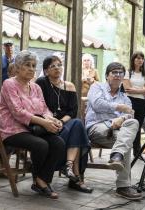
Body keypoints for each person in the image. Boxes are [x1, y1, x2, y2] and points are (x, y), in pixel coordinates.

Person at [0, 50, 65, 199]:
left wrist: (52, 120)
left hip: (34, 129)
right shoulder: (9, 84)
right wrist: (44, 122)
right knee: (41, 145)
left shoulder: (35, 87)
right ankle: (40, 181)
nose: (31, 68)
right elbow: (18, 112)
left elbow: (44, 109)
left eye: (33, 65)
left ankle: (41, 180)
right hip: (13, 130)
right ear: (17, 67)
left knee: (59, 143)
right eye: (27, 65)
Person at [36, 55, 92, 193]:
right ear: (46, 71)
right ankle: (75, 175)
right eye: (52, 66)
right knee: (77, 130)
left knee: (77, 123)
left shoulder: (70, 86)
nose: (57, 68)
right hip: (47, 123)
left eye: (59, 65)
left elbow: (73, 112)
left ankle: (69, 166)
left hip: (65, 122)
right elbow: (39, 106)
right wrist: (53, 121)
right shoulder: (41, 83)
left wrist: (61, 121)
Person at [86, 62, 142, 200]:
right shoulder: (97, 87)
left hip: (117, 131)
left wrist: (121, 120)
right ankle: (123, 186)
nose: (118, 75)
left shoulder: (125, 98)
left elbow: (131, 115)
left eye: (120, 73)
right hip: (96, 126)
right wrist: (119, 107)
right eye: (114, 72)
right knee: (126, 140)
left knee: (131, 125)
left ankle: (116, 155)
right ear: (107, 76)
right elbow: (97, 105)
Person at [123, 51, 145, 157]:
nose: (140, 60)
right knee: (131, 126)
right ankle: (127, 150)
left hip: (141, 103)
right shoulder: (128, 72)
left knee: (138, 126)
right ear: (133, 60)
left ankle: (137, 151)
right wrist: (142, 90)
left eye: (142, 58)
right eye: (138, 58)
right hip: (130, 102)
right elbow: (127, 89)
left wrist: (140, 90)